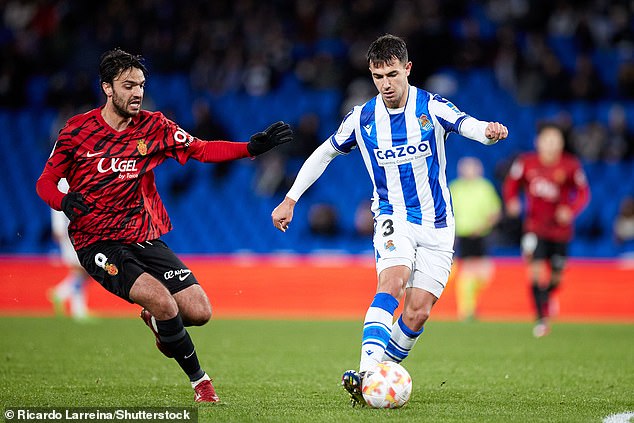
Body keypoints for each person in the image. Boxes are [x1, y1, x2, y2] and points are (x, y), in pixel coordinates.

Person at [36, 48, 292, 403]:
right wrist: (62, 202)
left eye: (141, 84)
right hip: (96, 242)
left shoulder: (154, 126)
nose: (138, 92)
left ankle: (158, 323)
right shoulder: (77, 131)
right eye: (128, 85)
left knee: (199, 311)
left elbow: (202, 150)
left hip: (141, 236)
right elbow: (45, 182)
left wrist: (249, 148)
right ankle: (200, 382)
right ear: (107, 88)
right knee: (163, 302)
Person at [271, 34, 508, 406]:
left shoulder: (431, 107)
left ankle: (379, 373)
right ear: (371, 74)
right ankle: (367, 372)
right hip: (392, 215)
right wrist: (290, 198)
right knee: (392, 282)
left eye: (393, 75)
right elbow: (323, 153)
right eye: (378, 76)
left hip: (438, 225)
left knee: (417, 312)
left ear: (408, 69)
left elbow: (469, 125)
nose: (386, 84)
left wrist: (489, 133)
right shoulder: (363, 118)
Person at [503, 123, 589, 338]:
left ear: (561, 143)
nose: (551, 144)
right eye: (547, 139)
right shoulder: (526, 163)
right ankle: (542, 319)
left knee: (557, 277)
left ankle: (547, 297)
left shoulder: (570, 165)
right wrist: (512, 201)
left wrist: (570, 210)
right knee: (536, 270)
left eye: (555, 140)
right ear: (538, 142)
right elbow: (511, 184)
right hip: (534, 227)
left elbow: (582, 193)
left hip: (560, 231)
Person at [449, 157, 502, 321]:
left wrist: (485, 224)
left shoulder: (485, 188)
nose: (469, 171)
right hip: (461, 236)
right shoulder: (454, 188)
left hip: (481, 235)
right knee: (467, 272)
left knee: (483, 273)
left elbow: (495, 211)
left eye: (472, 168)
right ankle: (466, 310)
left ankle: (469, 304)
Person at [48, 178, 92, 321]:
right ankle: (71, 302)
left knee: (85, 270)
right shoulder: (64, 180)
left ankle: (69, 301)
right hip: (71, 230)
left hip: (82, 229)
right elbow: (57, 204)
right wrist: (58, 227)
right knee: (84, 268)